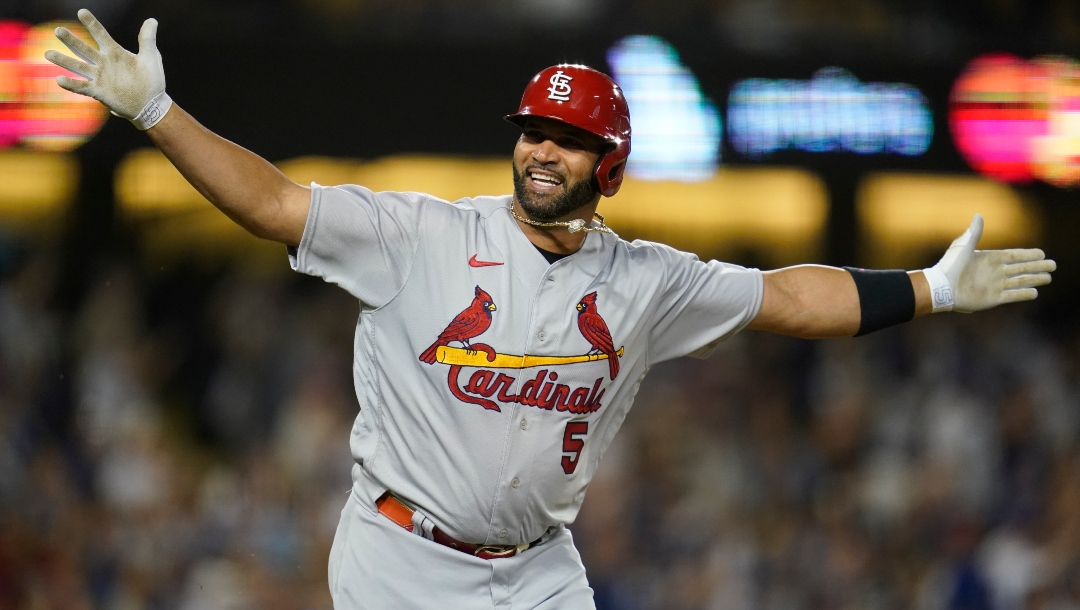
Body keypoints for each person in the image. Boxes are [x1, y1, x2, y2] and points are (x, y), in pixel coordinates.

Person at [46, 10, 1056, 609]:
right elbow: (268, 202)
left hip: (537, 573)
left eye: (567, 138)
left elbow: (791, 297)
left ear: (607, 166)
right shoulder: (419, 235)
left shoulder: (645, 279)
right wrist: (155, 113)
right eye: (533, 128)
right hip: (401, 559)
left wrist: (928, 288)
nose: (541, 149)